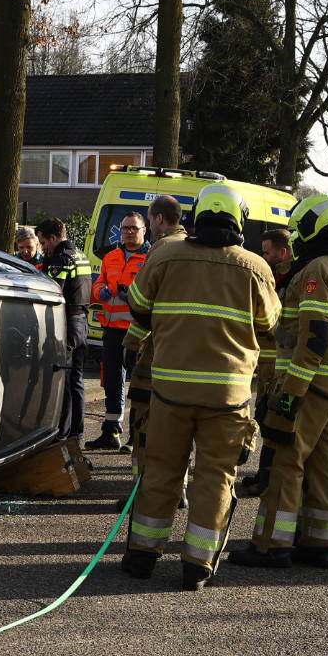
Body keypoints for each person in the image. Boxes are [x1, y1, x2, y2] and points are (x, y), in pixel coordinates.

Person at [122, 184, 280, 592]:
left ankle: (141, 556)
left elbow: (138, 302)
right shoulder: (255, 267)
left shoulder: (167, 255)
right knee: (215, 478)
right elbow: (271, 324)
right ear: (238, 221)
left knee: (161, 471)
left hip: (170, 391)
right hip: (227, 398)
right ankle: (197, 566)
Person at [231, 194, 328, 572]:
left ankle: (270, 545)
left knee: (285, 459)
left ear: (312, 228)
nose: (294, 239)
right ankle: (320, 543)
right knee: (327, 461)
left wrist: (291, 393)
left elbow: (314, 337)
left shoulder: (317, 272)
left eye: (298, 230)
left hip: (308, 388)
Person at [123, 196, 187, 486]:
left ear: (159, 220)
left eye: (150, 219)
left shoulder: (161, 249)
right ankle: (179, 487)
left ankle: (142, 489)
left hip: (155, 353)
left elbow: (141, 305)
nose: (149, 225)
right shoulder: (192, 247)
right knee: (180, 428)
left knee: (144, 422)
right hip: (183, 353)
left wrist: (131, 345)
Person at [86, 212, 150, 452]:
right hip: (112, 329)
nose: (129, 232)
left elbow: (150, 291)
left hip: (138, 331)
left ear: (144, 231)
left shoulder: (150, 257)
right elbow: (99, 282)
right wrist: (100, 290)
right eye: (125, 228)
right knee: (112, 382)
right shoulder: (111, 257)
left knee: (140, 385)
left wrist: (130, 295)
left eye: (134, 228)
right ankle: (111, 432)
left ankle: (137, 436)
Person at [236, 228, 292, 498]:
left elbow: (277, 321)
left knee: (271, 422)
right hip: (268, 362)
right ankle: (262, 474)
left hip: (278, 362)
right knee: (264, 417)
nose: (263, 256)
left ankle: (267, 479)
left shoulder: (288, 278)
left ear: (282, 252)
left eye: (267, 252)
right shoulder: (276, 275)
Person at [38, 218, 91, 442]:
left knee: (66, 381)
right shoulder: (81, 255)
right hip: (82, 322)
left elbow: (53, 292)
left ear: (53, 237)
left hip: (67, 322)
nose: (43, 248)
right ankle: (77, 431)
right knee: (76, 380)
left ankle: (64, 432)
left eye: (43, 242)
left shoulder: (61, 258)